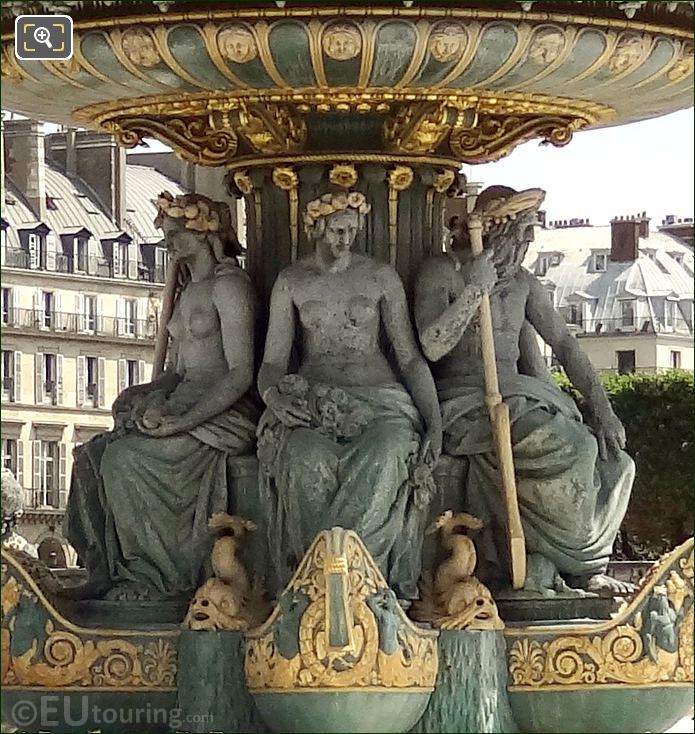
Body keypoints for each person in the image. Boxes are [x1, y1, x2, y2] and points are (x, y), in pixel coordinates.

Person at [414, 185, 635, 595]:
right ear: (498, 233)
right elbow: (431, 344)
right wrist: (475, 289)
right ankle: (575, 565)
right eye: (523, 235)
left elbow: (565, 344)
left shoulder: (522, 283)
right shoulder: (442, 272)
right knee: (577, 447)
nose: (529, 244)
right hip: (462, 398)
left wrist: (603, 409)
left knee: (610, 458)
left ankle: (578, 559)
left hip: (514, 396)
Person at [64, 192, 258, 600]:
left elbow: (240, 373)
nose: (168, 243)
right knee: (92, 456)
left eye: (176, 234)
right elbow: (180, 372)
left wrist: (183, 420)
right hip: (184, 401)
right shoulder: (189, 292)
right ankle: (104, 568)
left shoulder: (229, 288)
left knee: (124, 460)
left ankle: (153, 578)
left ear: (205, 233)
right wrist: (142, 392)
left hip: (220, 412)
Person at [257, 191, 442, 599]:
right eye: (338, 230)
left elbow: (410, 358)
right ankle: (316, 573)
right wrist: (273, 396)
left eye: (352, 231)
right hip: (314, 401)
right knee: (303, 456)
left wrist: (434, 421)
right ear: (317, 228)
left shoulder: (379, 277)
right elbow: (272, 361)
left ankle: (362, 573)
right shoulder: (292, 282)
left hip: (380, 398)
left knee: (389, 449)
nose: (345, 240)